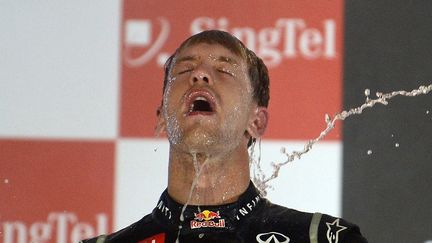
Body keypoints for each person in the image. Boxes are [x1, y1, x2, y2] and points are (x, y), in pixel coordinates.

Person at [81, 30, 367, 243]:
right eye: (185, 69)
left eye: (223, 70)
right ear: (162, 119)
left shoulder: (324, 239)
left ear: (256, 121)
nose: (201, 75)